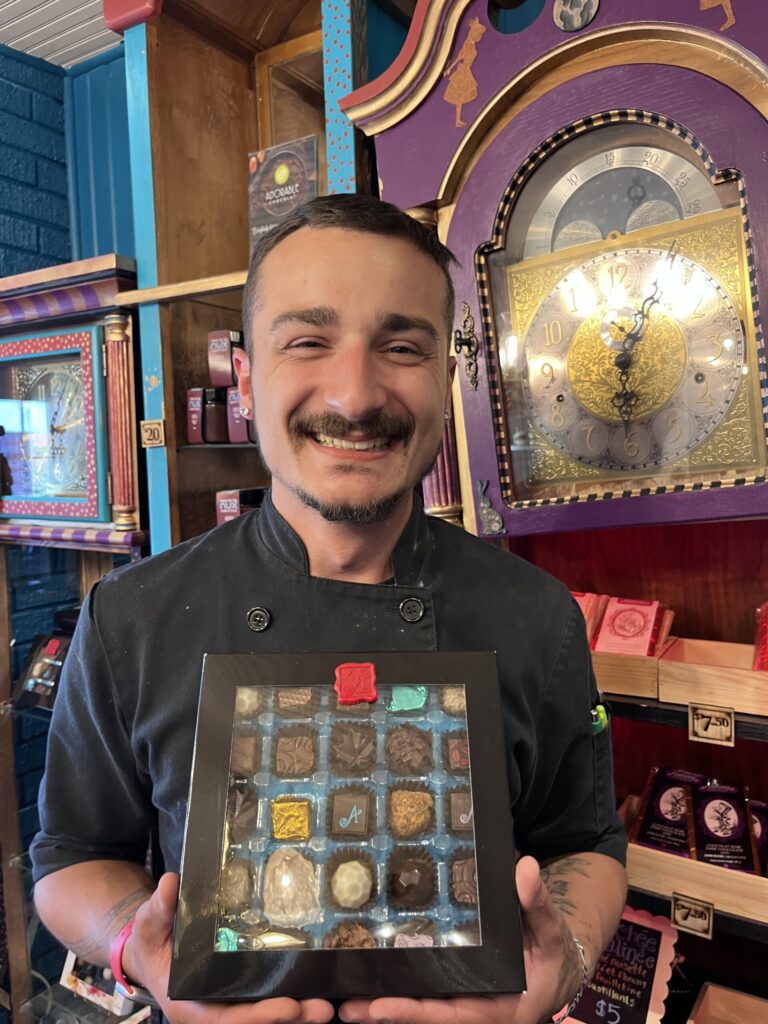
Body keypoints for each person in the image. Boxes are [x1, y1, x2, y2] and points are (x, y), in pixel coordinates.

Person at [31, 194, 627, 1024]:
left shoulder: (538, 617)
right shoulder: (131, 617)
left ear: (445, 375)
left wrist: (557, 973)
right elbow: (70, 857)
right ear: (245, 374)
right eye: (308, 341)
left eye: (403, 345)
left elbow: (583, 845)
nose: (354, 395)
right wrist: (146, 953)